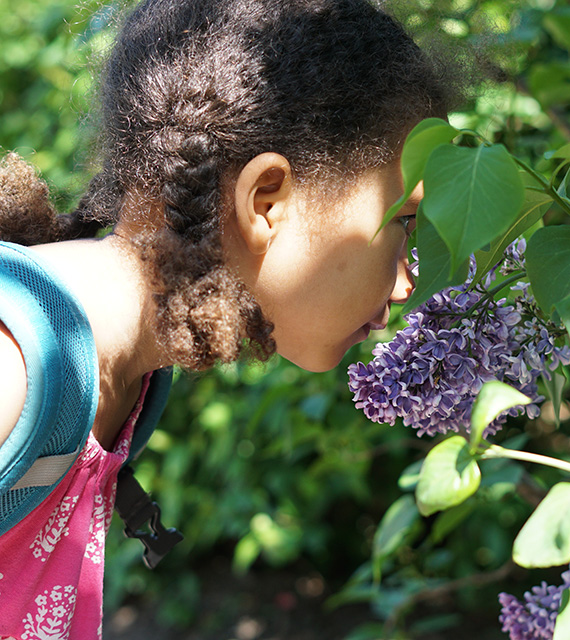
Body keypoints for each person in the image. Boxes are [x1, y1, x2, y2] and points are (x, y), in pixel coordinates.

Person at [0, 0, 450, 635]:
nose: (409, 280)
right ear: (267, 200)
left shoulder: (130, 376)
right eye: (402, 223)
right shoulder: (21, 364)